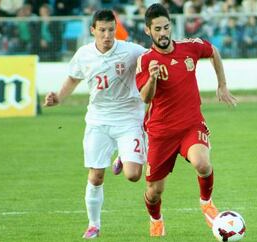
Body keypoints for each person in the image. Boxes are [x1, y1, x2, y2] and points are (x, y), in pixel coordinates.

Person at [43, 9, 146, 239]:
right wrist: (59, 97)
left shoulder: (131, 51)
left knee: (133, 175)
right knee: (96, 175)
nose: (107, 35)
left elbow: (156, 57)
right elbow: (73, 77)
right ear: (93, 31)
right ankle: (93, 224)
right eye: (102, 30)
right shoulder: (84, 54)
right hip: (98, 120)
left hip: (129, 118)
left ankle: (122, 155)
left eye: (111, 30)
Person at [135, 3, 237, 237]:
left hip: (191, 124)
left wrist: (222, 84)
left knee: (202, 163)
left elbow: (213, 52)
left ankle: (206, 202)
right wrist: (152, 78)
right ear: (148, 31)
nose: (163, 33)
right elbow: (145, 98)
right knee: (154, 192)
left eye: (166, 27)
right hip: (161, 132)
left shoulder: (190, 47)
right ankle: (156, 218)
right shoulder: (145, 60)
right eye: (157, 29)